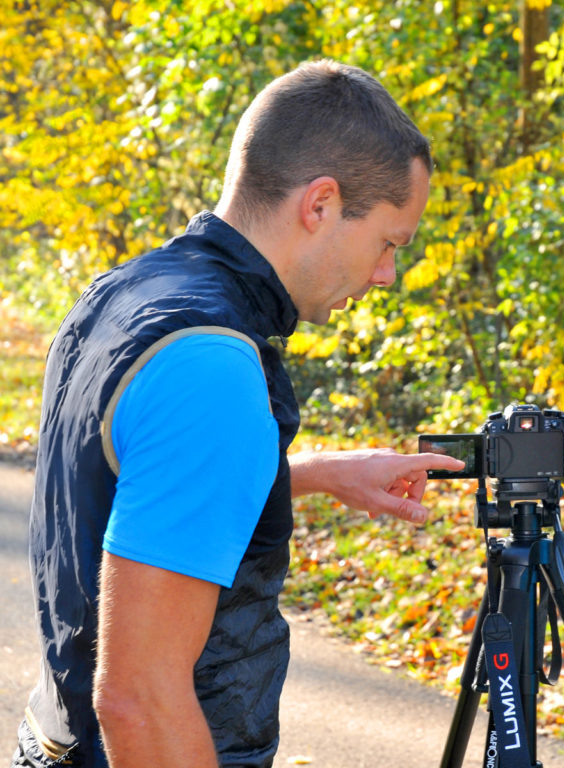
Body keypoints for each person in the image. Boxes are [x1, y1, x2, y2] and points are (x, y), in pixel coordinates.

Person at [12, 60, 464, 768]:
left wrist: (313, 474)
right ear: (320, 204)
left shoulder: (128, 291)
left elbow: (129, 478)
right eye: (388, 243)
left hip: (53, 739)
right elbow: (141, 701)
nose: (386, 276)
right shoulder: (213, 368)